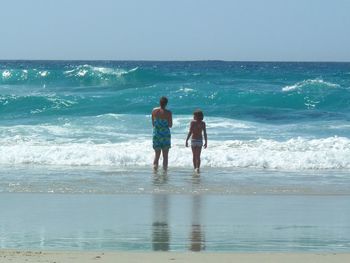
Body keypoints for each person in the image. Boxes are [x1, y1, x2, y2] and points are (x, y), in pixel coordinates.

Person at [152, 96, 172, 170]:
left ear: (159, 102)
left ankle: (155, 173)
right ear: (166, 103)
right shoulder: (168, 113)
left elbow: (153, 124)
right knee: (165, 156)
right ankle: (164, 174)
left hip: (156, 134)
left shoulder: (154, 111)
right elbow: (170, 125)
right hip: (165, 135)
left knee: (157, 155)